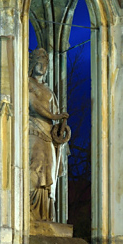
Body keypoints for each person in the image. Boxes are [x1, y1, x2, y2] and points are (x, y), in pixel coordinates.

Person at [28, 48, 70, 220]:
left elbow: (58, 119)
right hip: (34, 131)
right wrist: (55, 116)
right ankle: (29, 213)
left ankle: (45, 216)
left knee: (48, 174)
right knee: (34, 170)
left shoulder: (49, 91)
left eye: (45, 63)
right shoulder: (27, 83)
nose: (42, 65)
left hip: (48, 137)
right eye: (39, 61)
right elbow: (32, 104)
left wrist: (61, 129)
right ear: (32, 63)